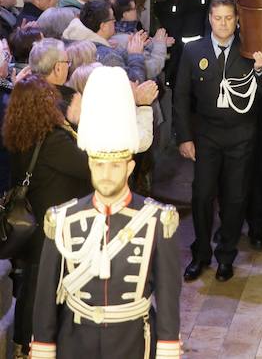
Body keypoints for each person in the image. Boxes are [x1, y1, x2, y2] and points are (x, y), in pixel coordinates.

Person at [30, 66, 181, 359]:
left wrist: (167, 347)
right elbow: (45, 295)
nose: (107, 174)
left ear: (130, 167)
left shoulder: (157, 221)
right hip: (75, 342)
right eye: (99, 165)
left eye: (115, 165)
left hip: (133, 342)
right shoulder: (61, 220)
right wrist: (44, 348)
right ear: (89, 166)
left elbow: (167, 293)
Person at [174, 0, 262, 282]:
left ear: (237, 20)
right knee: (202, 195)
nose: (223, 24)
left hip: (241, 135)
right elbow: (181, 97)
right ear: (210, 19)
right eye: (217, 18)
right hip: (206, 135)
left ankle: (226, 255)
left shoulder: (251, 49)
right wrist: (184, 137)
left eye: (228, 18)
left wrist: (260, 71)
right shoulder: (194, 50)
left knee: (235, 197)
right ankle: (201, 253)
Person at [3, 75, 91, 356]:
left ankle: (22, 345)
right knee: (42, 292)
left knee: (31, 287)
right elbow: (90, 168)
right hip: (53, 230)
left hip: (36, 227)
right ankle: (33, 347)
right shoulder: (53, 140)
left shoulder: (21, 136)